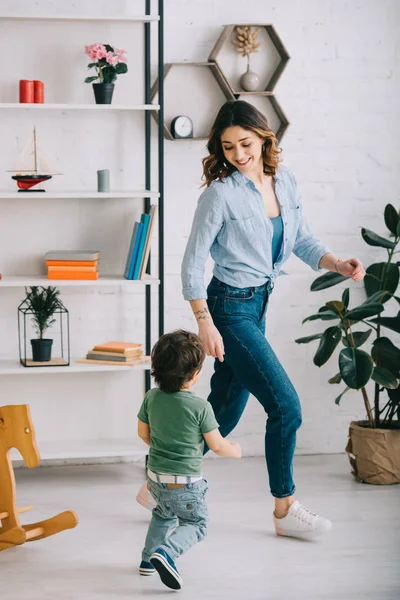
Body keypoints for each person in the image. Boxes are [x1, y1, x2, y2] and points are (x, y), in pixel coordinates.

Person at [181, 100, 365, 540]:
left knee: (224, 406)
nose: (238, 154)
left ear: (264, 137)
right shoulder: (219, 194)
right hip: (228, 308)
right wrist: (204, 322)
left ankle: (163, 475)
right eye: (228, 147)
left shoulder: (286, 182)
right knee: (285, 407)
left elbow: (301, 240)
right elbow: (192, 263)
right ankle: (284, 510)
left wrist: (337, 263)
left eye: (245, 143)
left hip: (258, 304)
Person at [137, 329, 241, 590]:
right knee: (196, 523)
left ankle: (148, 561)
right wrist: (235, 450)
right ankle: (167, 553)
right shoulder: (200, 407)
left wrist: (164, 446)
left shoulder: (151, 398)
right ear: (194, 375)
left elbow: (143, 434)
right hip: (186, 484)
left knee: (162, 515)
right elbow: (216, 445)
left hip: (156, 478)